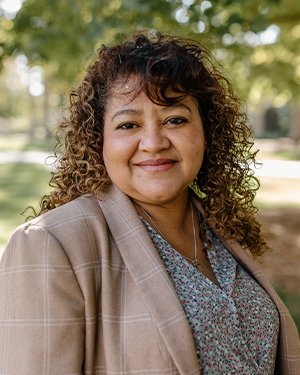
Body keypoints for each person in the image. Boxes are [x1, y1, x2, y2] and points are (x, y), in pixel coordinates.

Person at [0, 32, 299, 375]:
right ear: (100, 141)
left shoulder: (222, 231)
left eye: (175, 119)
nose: (154, 142)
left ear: (206, 130)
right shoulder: (49, 245)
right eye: (128, 124)